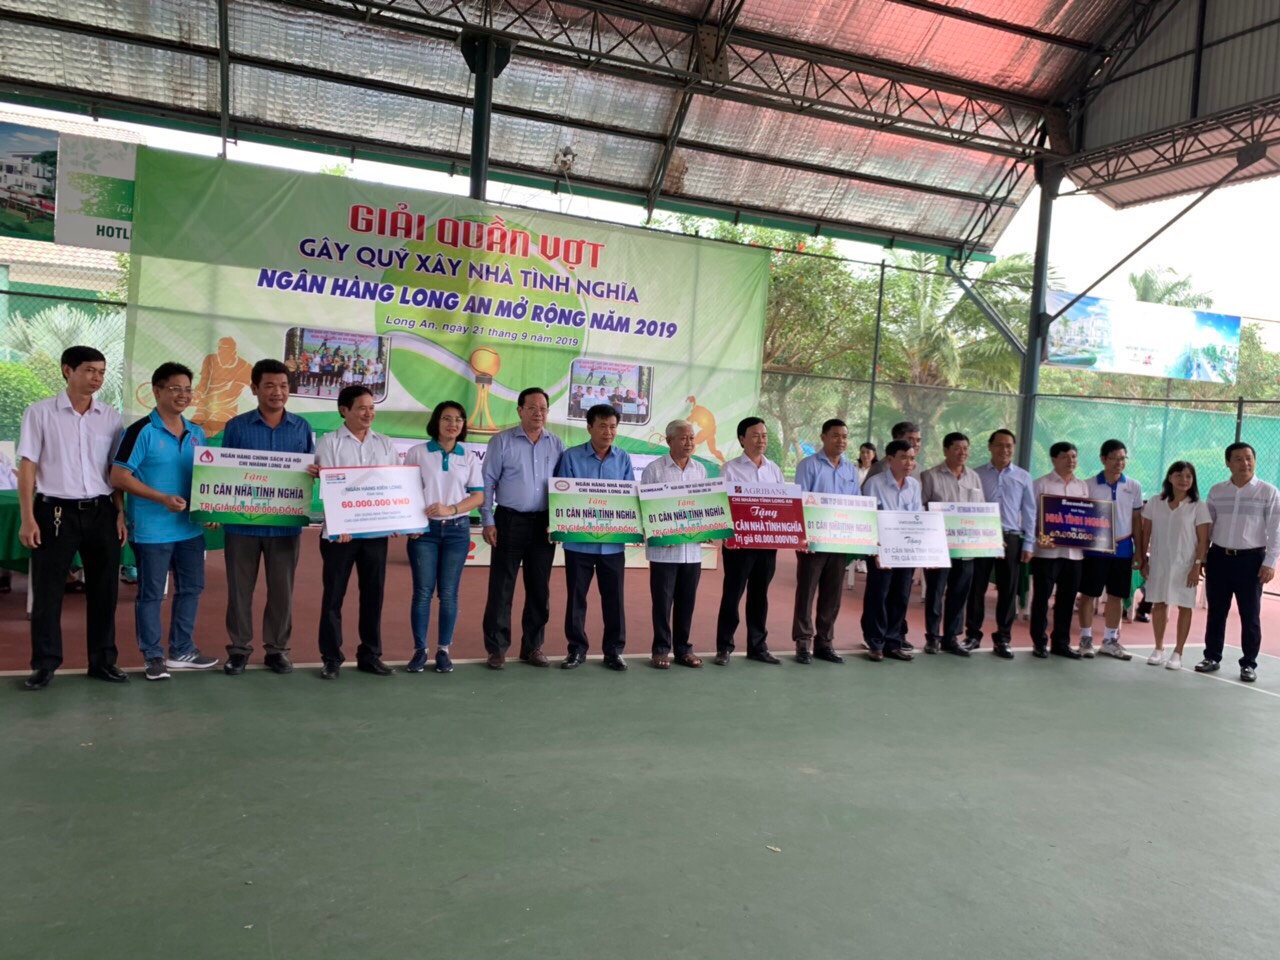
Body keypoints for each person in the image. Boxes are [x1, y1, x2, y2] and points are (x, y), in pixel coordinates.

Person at [17, 346, 128, 690]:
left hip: (102, 512)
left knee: (105, 590)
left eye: (102, 372)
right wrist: (27, 517)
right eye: (90, 370)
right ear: (68, 370)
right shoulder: (40, 413)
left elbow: (115, 471)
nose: (97, 378)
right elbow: (28, 466)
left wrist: (120, 513)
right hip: (54, 513)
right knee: (48, 592)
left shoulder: (111, 417)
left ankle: (103, 661)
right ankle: (45, 664)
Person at [111, 362, 219, 680]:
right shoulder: (140, 431)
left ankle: (182, 650)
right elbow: (119, 476)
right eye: (175, 389)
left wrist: (210, 509)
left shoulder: (197, 433)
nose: (183, 395)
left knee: (191, 589)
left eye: (187, 389)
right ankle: (153, 656)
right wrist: (161, 498)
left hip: (190, 529)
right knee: (152, 594)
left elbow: (204, 479)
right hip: (152, 531)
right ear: (156, 391)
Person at [220, 359, 319, 676]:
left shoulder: (302, 428)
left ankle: (277, 650)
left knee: (281, 592)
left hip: (285, 526)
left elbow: (308, 471)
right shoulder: (237, 427)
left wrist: (315, 473)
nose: (278, 392)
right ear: (254, 389)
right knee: (239, 591)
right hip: (242, 524)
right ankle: (238, 650)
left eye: (283, 386)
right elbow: (223, 472)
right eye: (270, 385)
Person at [315, 385, 399, 679]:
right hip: (340, 537)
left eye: (372, 408)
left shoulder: (385, 443)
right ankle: (331, 658)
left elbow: (394, 484)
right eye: (362, 408)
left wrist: (395, 517)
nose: (369, 413)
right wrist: (340, 524)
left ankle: (370, 655)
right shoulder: (329, 443)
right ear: (344, 410)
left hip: (375, 535)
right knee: (333, 597)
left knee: (373, 596)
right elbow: (330, 488)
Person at [480, 387, 565, 669]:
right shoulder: (502, 441)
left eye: (543, 408)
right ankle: (497, 649)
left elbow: (563, 486)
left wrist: (559, 521)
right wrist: (488, 519)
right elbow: (488, 481)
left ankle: (533, 647)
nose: (538, 413)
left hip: (543, 525)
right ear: (520, 410)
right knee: (501, 587)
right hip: (509, 521)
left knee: (539, 589)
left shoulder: (557, 444)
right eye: (532, 408)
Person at [403, 401, 483, 675]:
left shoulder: (468, 456)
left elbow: (478, 496)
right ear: (436, 421)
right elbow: (405, 491)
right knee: (422, 592)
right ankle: (419, 650)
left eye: (459, 419)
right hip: (423, 532)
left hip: (457, 532)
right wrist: (411, 523)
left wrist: (452, 509)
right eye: (447, 418)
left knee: (448, 593)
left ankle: (443, 650)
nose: (453, 424)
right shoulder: (417, 453)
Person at [555, 403, 635, 671]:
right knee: (576, 599)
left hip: (613, 545)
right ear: (589, 427)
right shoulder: (571, 457)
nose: (608, 432)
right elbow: (562, 499)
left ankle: (614, 651)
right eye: (602, 426)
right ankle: (576, 650)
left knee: (615, 600)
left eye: (613, 426)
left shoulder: (623, 458)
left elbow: (629, 499)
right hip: (578, 543)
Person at [1197, 442, 1280, 683]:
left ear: (1254, 460)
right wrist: (1203, 557)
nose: (1245, 463)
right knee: (1216, 612)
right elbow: (1208, 527)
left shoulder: (1268, 492)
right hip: (1219, 558)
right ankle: (1212, 657)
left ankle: (1249, 663)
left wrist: (1270, 562)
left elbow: (1276, 530)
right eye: (1238, 459)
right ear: (1228, 463)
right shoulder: (1217, 491)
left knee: (1250, 614)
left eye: (1249, 458)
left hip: (1251, 561)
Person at [715, 416, 785, 665]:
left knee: (759, 596)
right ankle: (724, 647)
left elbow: (783, 507)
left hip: (766, 545)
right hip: (739, 545)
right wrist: (727, 533)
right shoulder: (730, 469)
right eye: (755, 435)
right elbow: (721, 506)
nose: (761, 440)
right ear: (742, 439)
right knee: (732, 595)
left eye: (764, 435)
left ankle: (757, 647)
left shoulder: (774, 470)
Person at [791, 418, 859, 664]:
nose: (841, 441)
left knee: (833, 595)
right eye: (835, 435)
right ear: (823, 437)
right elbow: (799, 502)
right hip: (813, 542)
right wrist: (803, 538)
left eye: (845, 436)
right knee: (806, 592)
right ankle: (803, 642)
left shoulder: (850, 469)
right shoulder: (808, 465)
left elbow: (857, 504)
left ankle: (825, 643)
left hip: (840, 542)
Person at [641, 419, 706, 669]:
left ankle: (683, 649)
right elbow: (646, 509)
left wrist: (707, 527)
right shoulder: (654, 470)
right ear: (669, 441)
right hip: (664, 551)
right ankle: (660, 650)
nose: (689, 442)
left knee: (687, 603)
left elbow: (703, 507)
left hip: (692, 551)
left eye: (692, 437)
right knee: (662, 603)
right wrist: (659, 531)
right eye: (683, 437)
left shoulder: (700, 470)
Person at [966, 429, 1035, 659]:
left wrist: (1029, 544)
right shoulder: (976, 474)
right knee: (976, 588)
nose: (1004, 450)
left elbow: (1029, 511)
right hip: (982, 537)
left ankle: (1003, 638)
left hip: (1011, 537)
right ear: (990, 447)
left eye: (1009, 446)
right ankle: (972, 635)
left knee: (1008, 590)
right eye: (999, 445)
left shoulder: (1023, 477)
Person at [1138, 461, 1210, 671]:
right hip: (1159, 562)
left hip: (1185, 565)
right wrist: (1143, 559)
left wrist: (1196, 566)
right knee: (1159, 603)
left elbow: (1203, 541)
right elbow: (1145, 532)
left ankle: (1178, 652)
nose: (1184, 480)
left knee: (1184, 606)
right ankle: (1158, 648)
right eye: (1179, 475)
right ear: (1170, 477)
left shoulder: (1198, 506)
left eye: (1188, 476)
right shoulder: (1155, 502)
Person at [1077, 439, 1143, 660]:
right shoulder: (1088, 485)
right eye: (1114, 458)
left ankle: (1110, 640)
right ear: (1103, 459)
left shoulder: (1133, 486)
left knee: (1116, 596)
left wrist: (1139, 551)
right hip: (1094, 550)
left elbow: (1136, 520)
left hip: (1123, 549)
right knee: (1088, 594)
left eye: (1123, 458)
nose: (1119, 463)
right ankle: (1085, 639)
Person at [919, 432, 984, 657]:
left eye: (965, 448)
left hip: (966, 548)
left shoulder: (974, 477)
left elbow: (981, 511)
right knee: (935, 592)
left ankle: (951, 638)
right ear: (946, 450)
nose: (962, 452)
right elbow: (920, 508)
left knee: (959, 593)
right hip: (938, 547)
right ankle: (932, 637)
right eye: (957, 448)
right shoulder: (930, 476)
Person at [860, 439, 921, 661]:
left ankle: (893, 642)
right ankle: (875, 642)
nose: (909, 463)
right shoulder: (874, 484)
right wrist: (874, 548)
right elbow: (867, 517)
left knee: (900, 595)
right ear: (890, 459)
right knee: (879, 595)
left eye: (912, 458)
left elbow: (917, 518)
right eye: (903, 458)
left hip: (905, 551)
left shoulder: (914, 486)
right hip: (881, 550)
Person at [1030, 442, 1090, 659]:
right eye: (1065, 456)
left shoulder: (1082, 486)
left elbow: (1086, 518)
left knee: (1067, 600)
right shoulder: (1040, 484)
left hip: (1074, 554)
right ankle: (1039, 642)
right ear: (1054, 459)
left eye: (1074, 456)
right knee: (1042, 598)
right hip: (1047, 554)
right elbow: (1031, 517)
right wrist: (1038, 538)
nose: (1071, 461)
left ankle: (1061, 643)